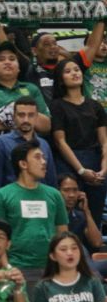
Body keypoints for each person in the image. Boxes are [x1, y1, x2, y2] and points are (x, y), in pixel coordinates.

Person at [0, 139, 69, 292]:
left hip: (51, 267)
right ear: (23, 164)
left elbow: (63, 234)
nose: (44, 162)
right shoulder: (1, 196)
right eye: (38, 157)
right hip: (18, 268)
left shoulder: (54, 195)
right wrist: (7, 268)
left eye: (44, 157)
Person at [0, 41, 50, 158]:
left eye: (12, 59)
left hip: (28, 156)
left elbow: (45, 125)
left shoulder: (31, 89)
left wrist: (3, 113)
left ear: (19, 67)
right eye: (1, 59)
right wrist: (27, 117)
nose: (7, 62)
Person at [50, 59, 107, 223]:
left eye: (76, 69)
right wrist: (81, 171)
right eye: (68, 71)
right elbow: (60, 142)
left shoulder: (95, 106)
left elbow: (104, 141)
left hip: (96, 163)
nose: (74, 73)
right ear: (61, 79)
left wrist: (103, 169)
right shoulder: (57, 106)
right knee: (70, 215)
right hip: (69, 163)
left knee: (94, 214)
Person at [0, 96, 58, 191]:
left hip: (41, 199)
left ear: (36, 117)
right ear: (14, 116)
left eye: (31, 115)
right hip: (11, 200)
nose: (26, 120)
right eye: (21, 115)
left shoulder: (44, 144)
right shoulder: (0, 143)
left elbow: (51, 181)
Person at [25, 28, 104, 103]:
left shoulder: (71, 66)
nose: (53, 47)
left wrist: (100, 21)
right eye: (46, 44)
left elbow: (92, 46)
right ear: (34, 51)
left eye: (55, 43)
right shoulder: (30, 71)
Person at [58, 174, 103, 253]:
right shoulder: (51, 215)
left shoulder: (80, 216)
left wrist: (86, 211)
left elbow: (97, 243)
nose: (72, 195)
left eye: (75, 190)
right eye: (66, 190)